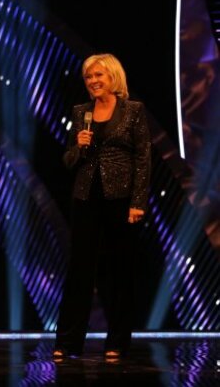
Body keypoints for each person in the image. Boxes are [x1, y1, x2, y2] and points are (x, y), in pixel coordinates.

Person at [54, 53, 151, 360]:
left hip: (120, 200)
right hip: (86, 199)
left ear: (112, 77)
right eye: (89, 77)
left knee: (120, 270)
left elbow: (143, 158)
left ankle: (117, 342)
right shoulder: (80, 112)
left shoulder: (133, 110)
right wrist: (79, 147)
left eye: (99, 75)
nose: (93, 81)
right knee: (79, 270)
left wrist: (138, 202)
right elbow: (68, 160)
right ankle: (68, 342)